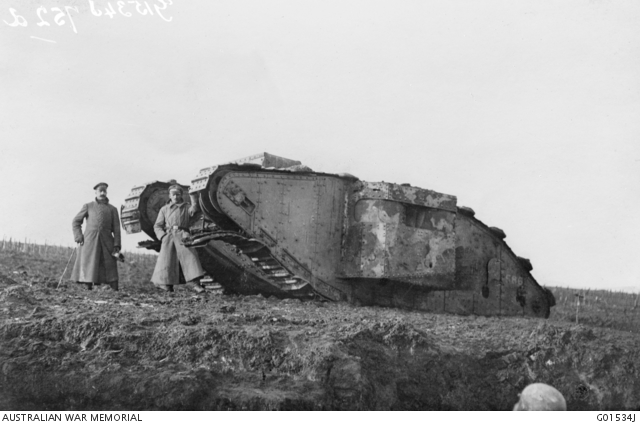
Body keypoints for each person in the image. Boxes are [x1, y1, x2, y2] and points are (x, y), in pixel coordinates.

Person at [151, 184, 206, 293]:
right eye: (173, 194)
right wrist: (162, 236)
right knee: (167, 260)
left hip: (183, 234)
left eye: (178, 194)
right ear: (169, 196)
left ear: (181, 195)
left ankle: (195, 284)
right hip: (169, 236)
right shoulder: (164, 209)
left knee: (191, 258)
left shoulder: (186, 207)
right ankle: (166, 285)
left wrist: (193, 196)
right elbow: (157, 225)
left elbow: (194, 210)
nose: (176, 197)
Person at [71, 182, 121, 291]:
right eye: (100, 191)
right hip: (90, 240)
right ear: (96, 192)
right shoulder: (88, 206)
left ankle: (113, 289)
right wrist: (78, 235)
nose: (102, 193)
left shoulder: (113, 209)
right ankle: (87, 285)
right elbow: (76, 221)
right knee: (89, 262)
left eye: (104, 191)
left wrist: (117, 244)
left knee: (109, 264)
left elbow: (117, 229)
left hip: (107, 240)